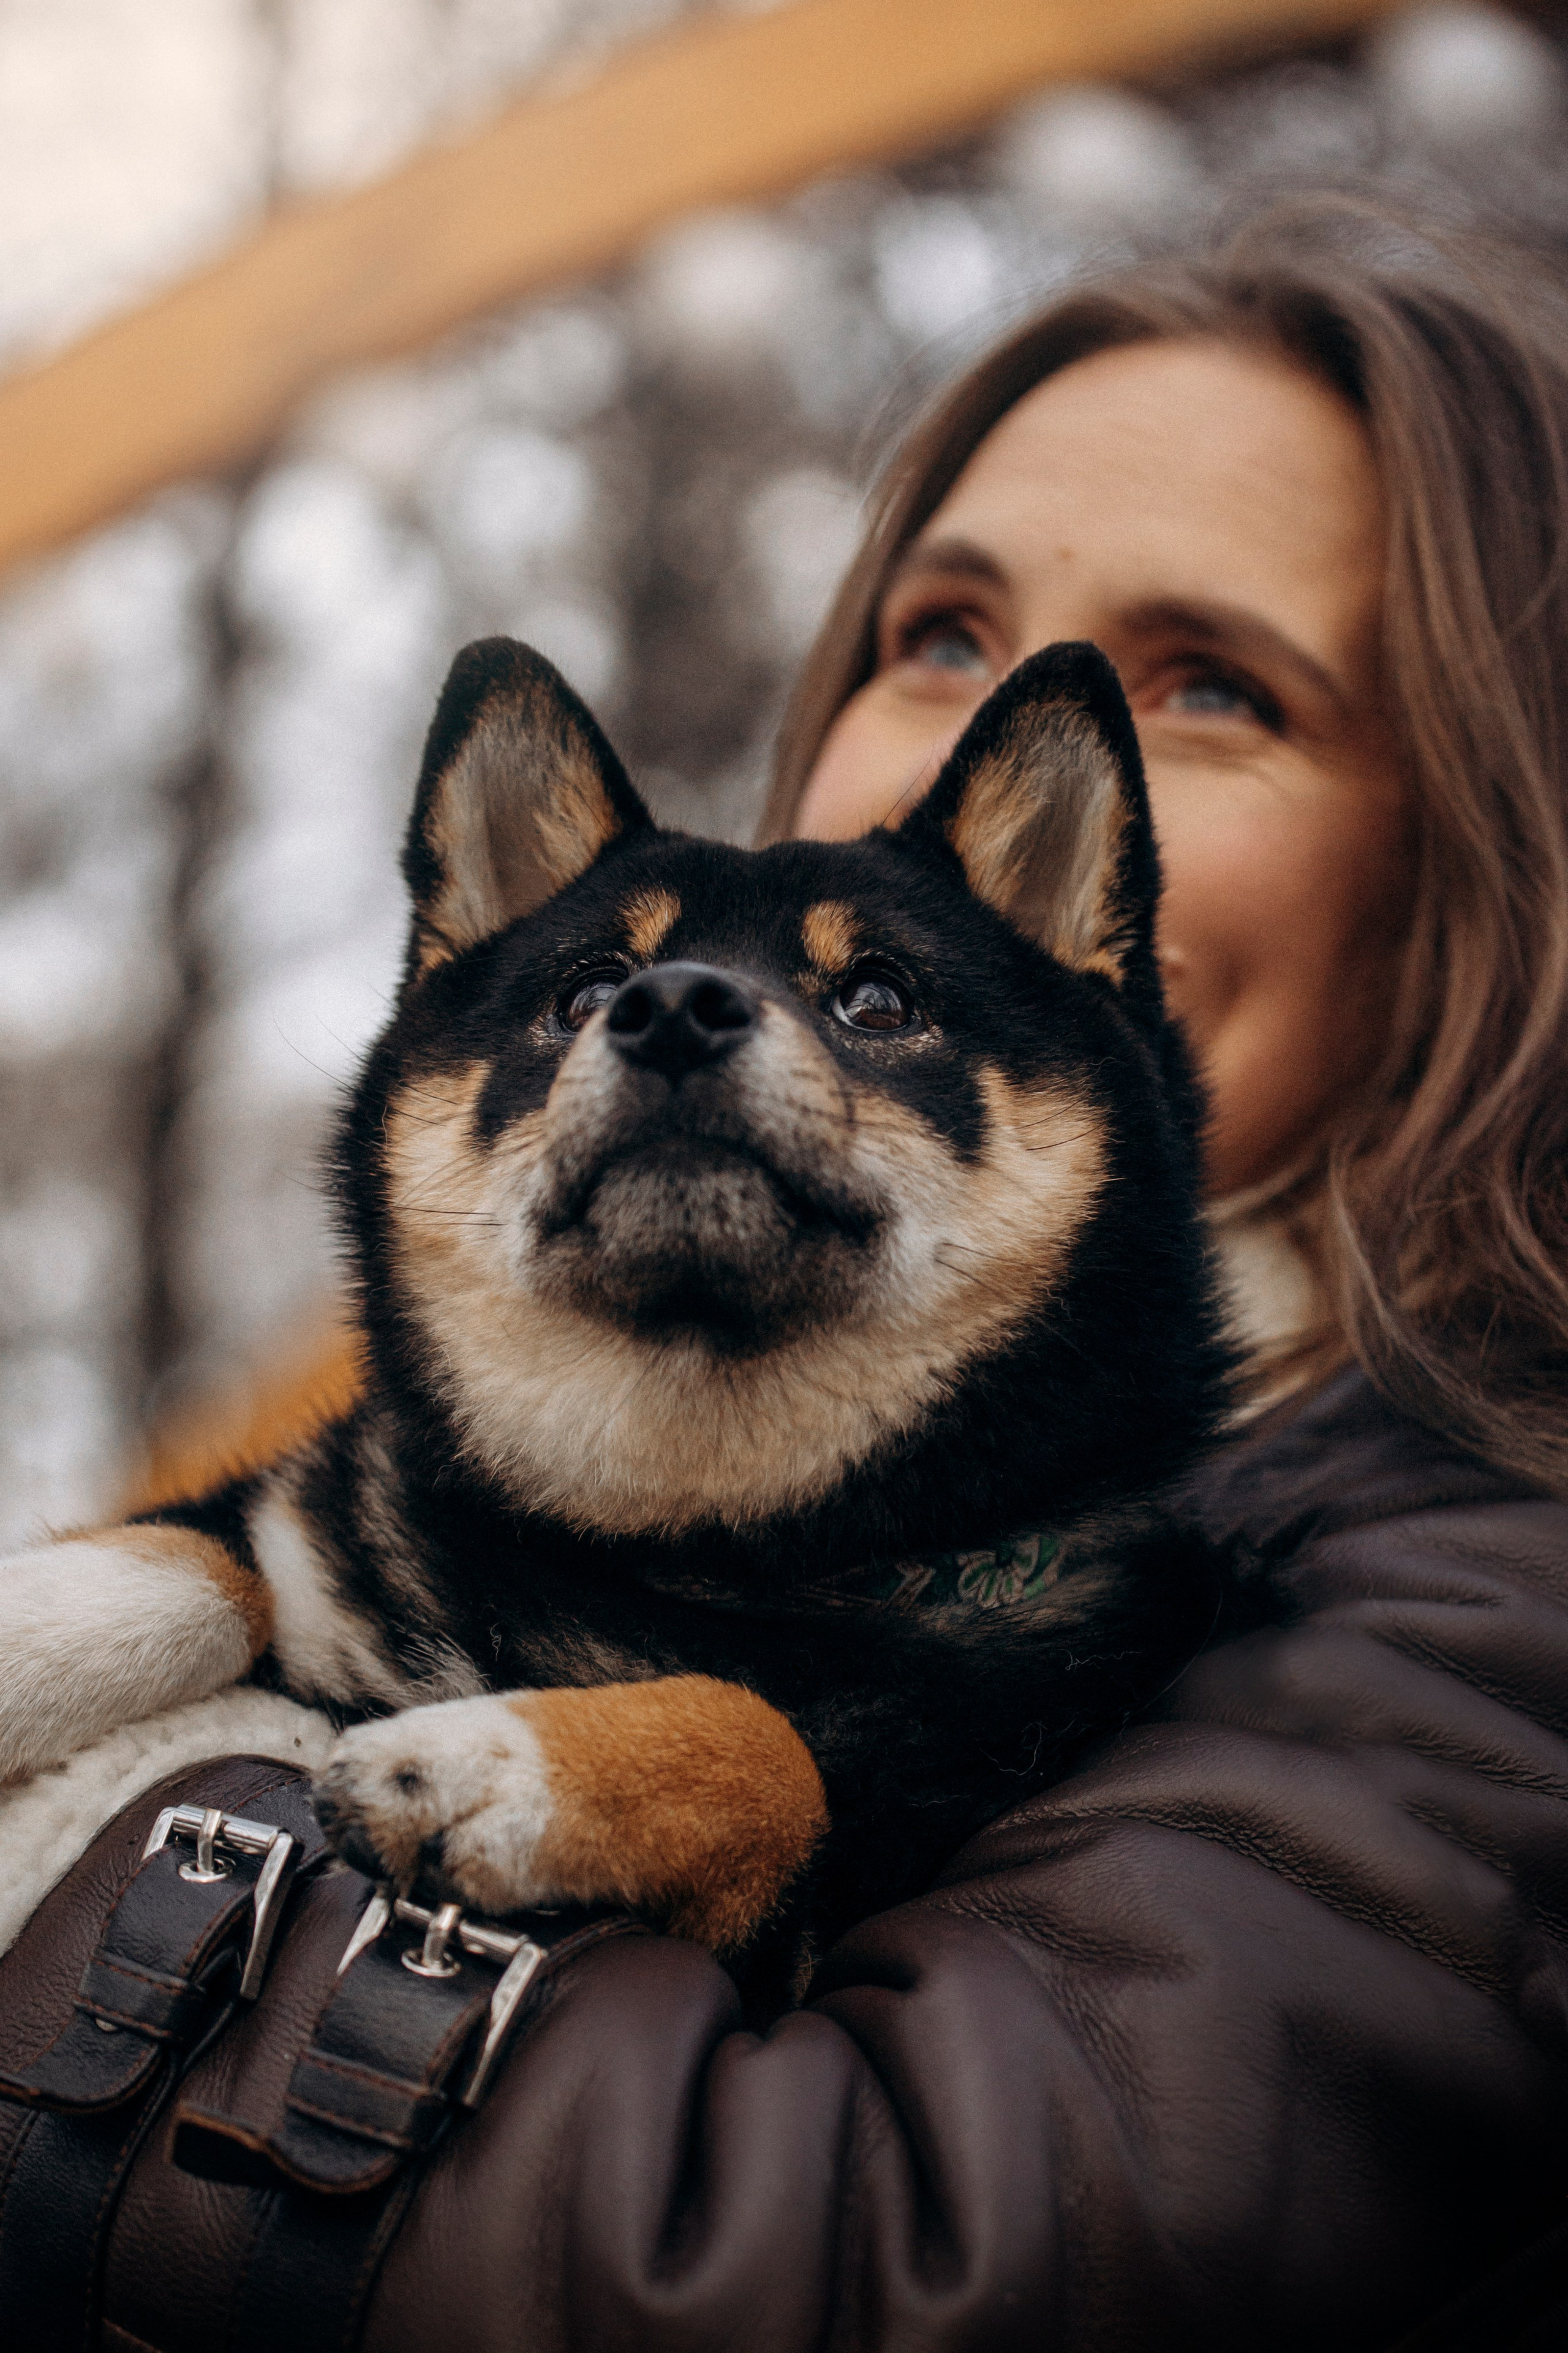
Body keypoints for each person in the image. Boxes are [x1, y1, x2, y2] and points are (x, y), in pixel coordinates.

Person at [32, 198, 1568, 2348]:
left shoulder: (1491, 1570)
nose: (1026, 765)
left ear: (1486, 859)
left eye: (1213, 687)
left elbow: (879, 2253)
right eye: (941, 638)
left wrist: (100, 1850)